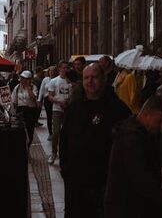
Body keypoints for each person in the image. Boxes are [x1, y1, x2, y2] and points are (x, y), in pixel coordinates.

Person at [59, 63, 131, 217]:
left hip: (104, 183)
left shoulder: (118, 109)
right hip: (76, 183)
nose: (90, 81)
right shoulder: (74, 108)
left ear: (104, 79)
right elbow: (64, 140)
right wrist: (66, 170)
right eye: (86, 78)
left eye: (94, 77)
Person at [103, 95, 162, 218]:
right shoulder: (130, 140)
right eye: (159, 121)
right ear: (147, 114)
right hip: (125, 209)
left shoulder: (143, 135)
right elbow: (141, 179)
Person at [46, 60, 73, 164]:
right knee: (56, 132)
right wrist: (59, 101)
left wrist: (68, 102)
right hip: (57, 110)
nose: (65, 69)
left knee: (66, 133)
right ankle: (53, 153)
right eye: (64, 68)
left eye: (67, 68)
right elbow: (50, 96)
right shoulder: (54, 81)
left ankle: (65, 153)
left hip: (68, 110)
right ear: (59, 69)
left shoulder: (70, 81)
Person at [11, 70, 41, 144]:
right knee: (20, 130)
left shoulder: (33, 87)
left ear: (30, 79)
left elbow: (33, 98)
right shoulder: (17, 88)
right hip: (20, 111)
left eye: (26, 78)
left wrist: (28, 87)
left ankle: (28, 146)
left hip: (30, 111)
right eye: (22, 78)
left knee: (30, 130)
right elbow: (14, 101)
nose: (23, 80)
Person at [39, 66, 55, 136]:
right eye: (50, 71)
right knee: (49, 116)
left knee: (55, 116)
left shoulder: (57, 79)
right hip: (47, 100)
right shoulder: (45, 80)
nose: (52, 72)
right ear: (48, 72)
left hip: (55, 100)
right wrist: (39, 99)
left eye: (53, 71)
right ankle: (50, 133)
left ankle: (55, 131)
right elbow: (41, 90)